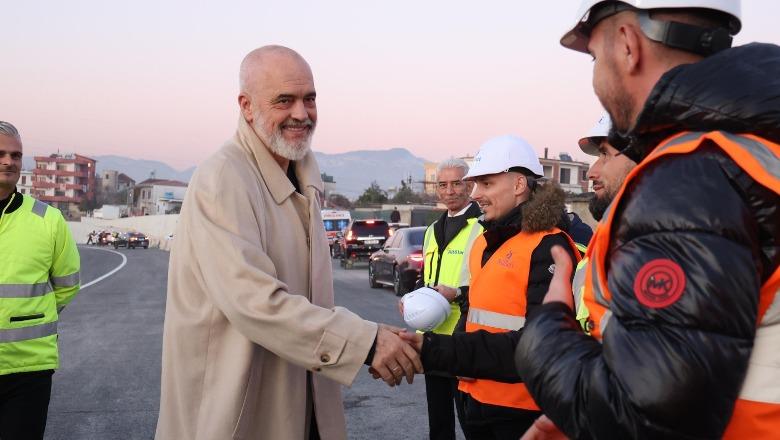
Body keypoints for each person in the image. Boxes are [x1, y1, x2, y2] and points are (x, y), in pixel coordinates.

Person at [515, 1, 780, 438]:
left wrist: (544, 333)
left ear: (627, 44)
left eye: (595, 57)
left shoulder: (690, 177)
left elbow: (645, 419)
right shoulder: (755, 151)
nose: (597, 78)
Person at [155, 46, 422, 440]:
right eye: (285, 100)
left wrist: (374, 334)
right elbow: (255, 302)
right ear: (246, 106)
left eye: (309, 98)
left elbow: (307, 299)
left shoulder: (302, 178)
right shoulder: (223, 178)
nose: (302, 113)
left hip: (304, 402)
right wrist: (364, 342)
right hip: (235, 416)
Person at [405, 135, 580, 440]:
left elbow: (538, 345)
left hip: (523, 413)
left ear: (518, 184)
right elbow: (479, 308)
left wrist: (441, 351)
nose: (476, 195)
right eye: (475, 185)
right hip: (477, 403)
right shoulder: (485, 242)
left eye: (486, 184)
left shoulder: (550, 247)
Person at [0, 121, 81, 440]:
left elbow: (68, 283)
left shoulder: (49, 220)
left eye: (16, 155)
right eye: (1, 154)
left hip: (28, 370)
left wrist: (34, 316)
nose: (9, 162)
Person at [418, 157, 483, 440]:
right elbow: (426, 278)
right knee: (439, 423)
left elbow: (490, 285)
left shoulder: (483, 227)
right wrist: (413, 299)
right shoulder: (432, 231)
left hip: (466, 336)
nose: (449, 191)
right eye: (442, 185)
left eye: (457, 183)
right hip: (433, 337)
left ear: (469, 185)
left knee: (473, 421)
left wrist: (457, 293)